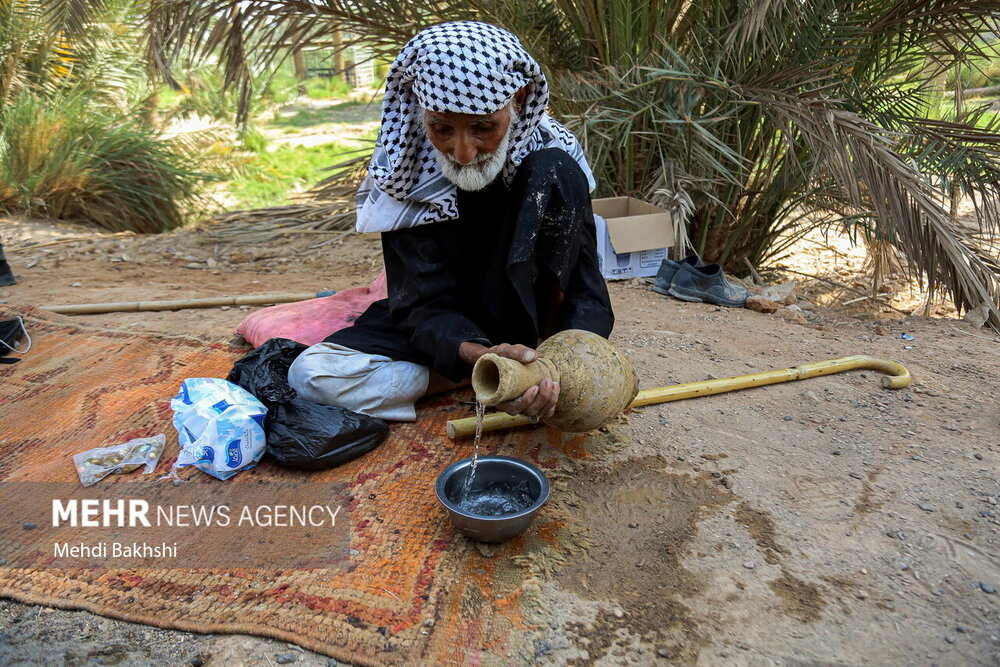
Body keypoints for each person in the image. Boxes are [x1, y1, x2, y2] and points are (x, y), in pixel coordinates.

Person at [288, 21, 613, 422]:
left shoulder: (553, 160)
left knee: (553, 170)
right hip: (452, 331)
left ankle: (516, 376)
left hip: (535, 332)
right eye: (442, 127)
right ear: (420, 110)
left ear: (520, 98)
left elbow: (585, 288)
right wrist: (482, 358)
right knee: (312, 374)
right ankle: (486, 377)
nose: (462, 152)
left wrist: (568, 366)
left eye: (483, 127)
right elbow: (421, 305)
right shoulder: (406, 171)